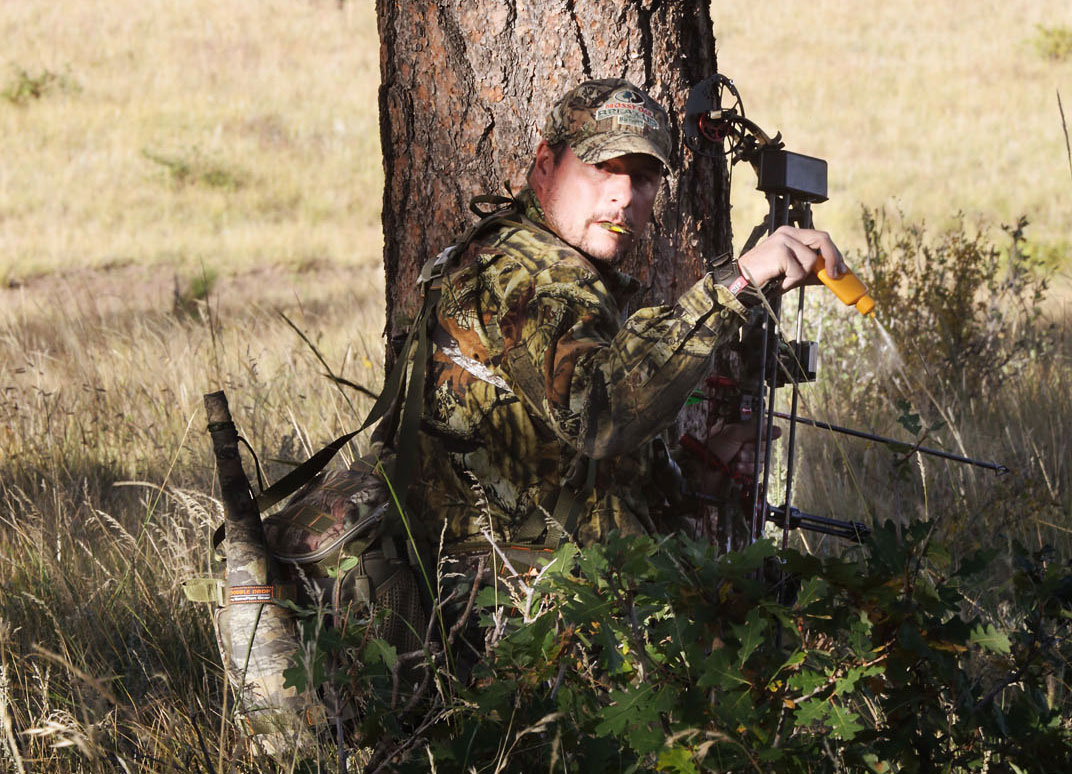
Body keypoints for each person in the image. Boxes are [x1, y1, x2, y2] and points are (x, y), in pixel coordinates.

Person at [402, 77, 846, 567]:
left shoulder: (565, 274)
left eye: (643, 177)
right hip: (513, 609)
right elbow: (601, 416)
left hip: (566, 592)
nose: (624, 196)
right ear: (545, 165)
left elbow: (613, 483)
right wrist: (735, 284)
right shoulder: (528, 271)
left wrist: (709, 465)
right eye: (602, 169)